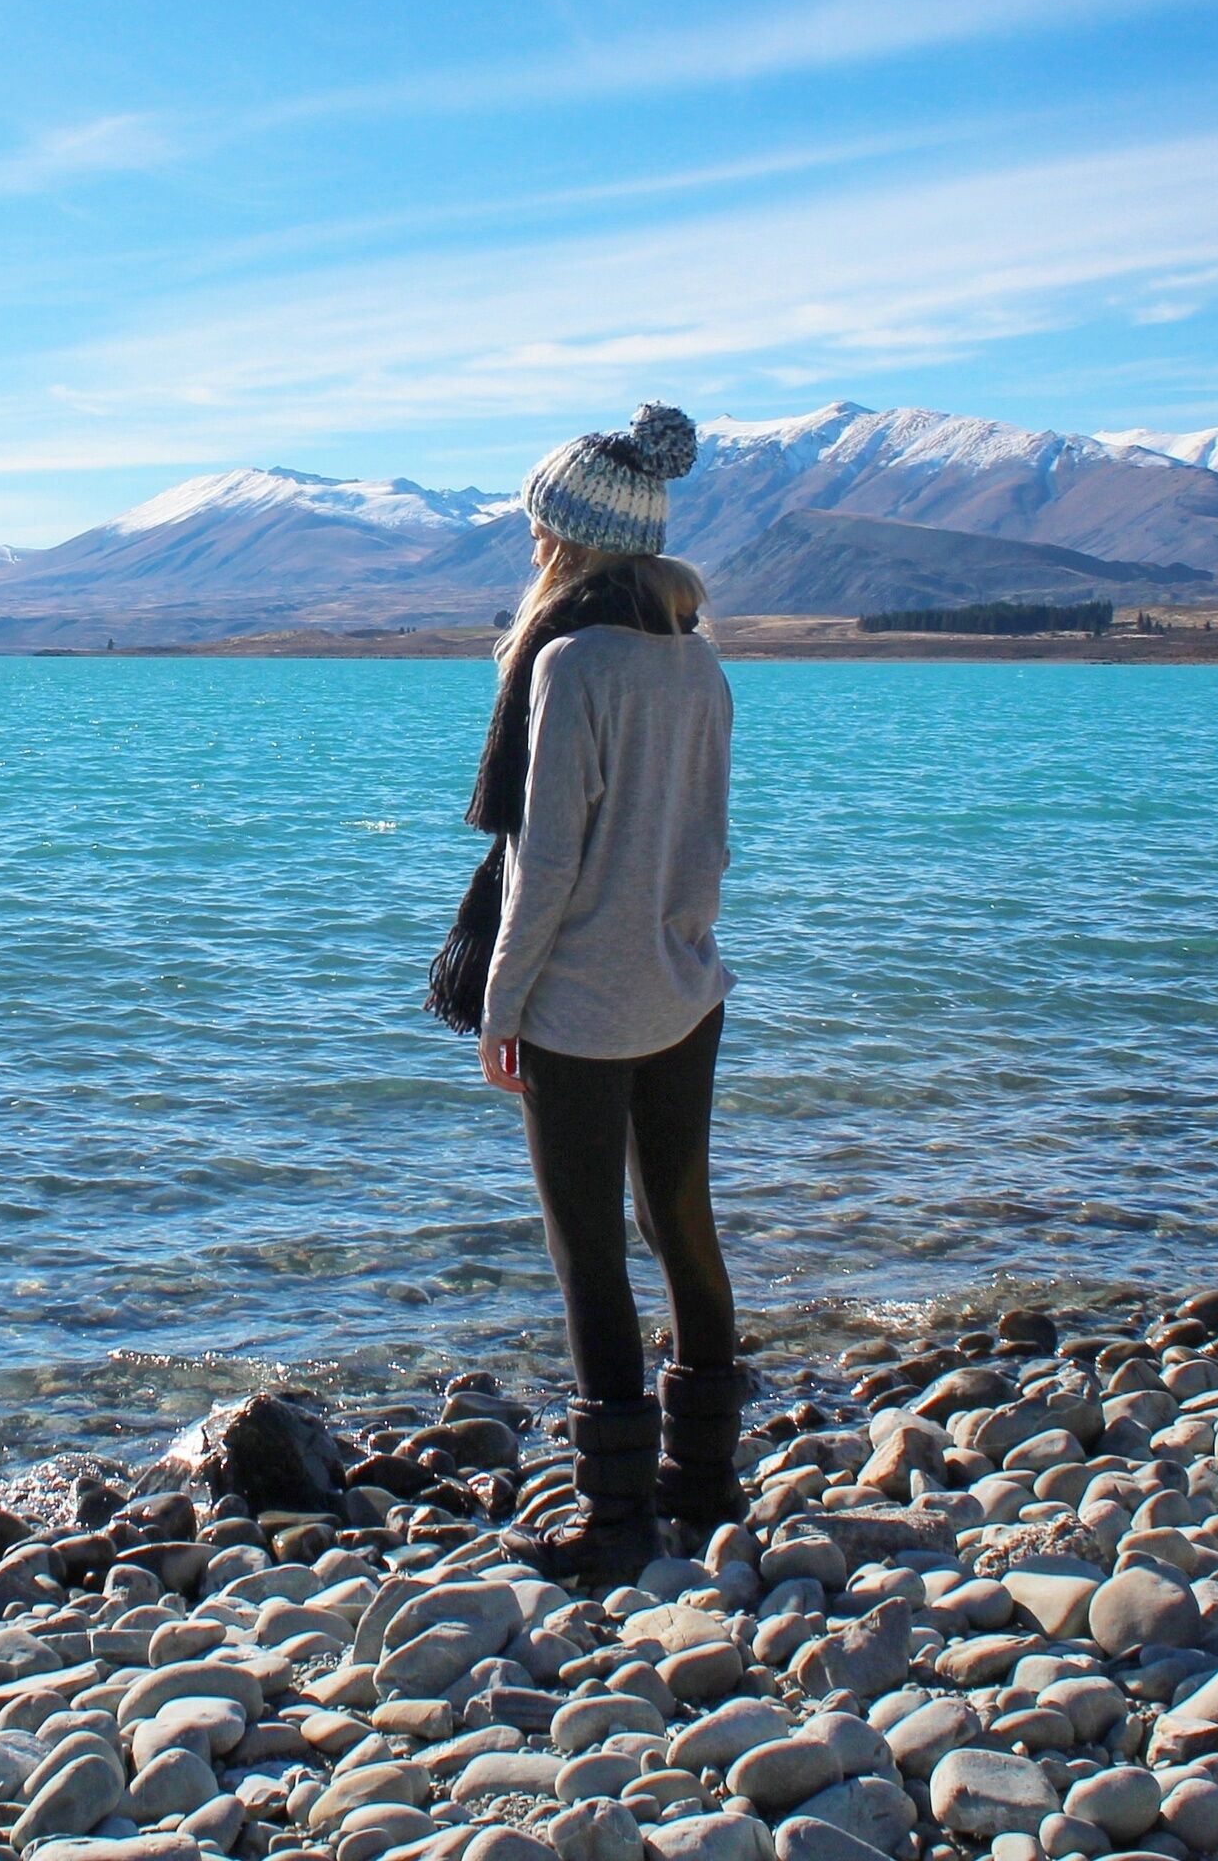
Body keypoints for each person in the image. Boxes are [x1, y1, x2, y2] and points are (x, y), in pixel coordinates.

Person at [428, 400, 745, 1579]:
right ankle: (704, 1491)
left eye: (536, 526)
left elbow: (544, 862)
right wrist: (683, 949)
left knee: (589, 1257)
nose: (528, 545)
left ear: (567, 536)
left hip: (582, 1006)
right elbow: (707, 845)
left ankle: (616, 1527)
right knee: (682, 1230)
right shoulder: (699, 661)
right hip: (686, 988)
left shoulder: (568, 659)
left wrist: (503, 1010)